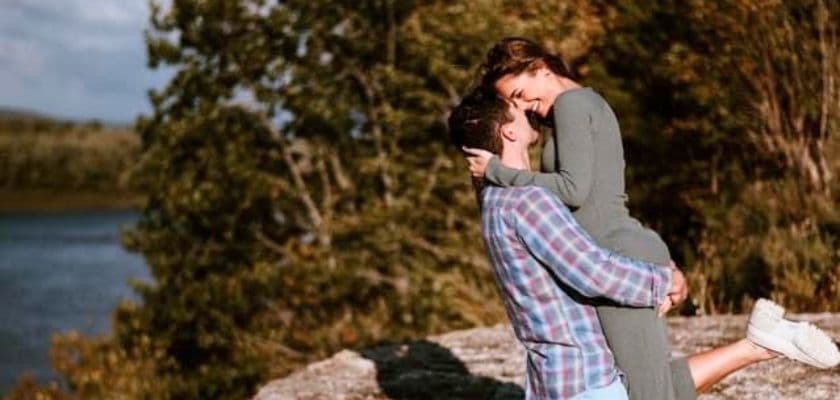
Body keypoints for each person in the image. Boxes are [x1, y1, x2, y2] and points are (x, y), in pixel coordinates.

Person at [448, 89, 839, 399]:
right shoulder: (528, 200)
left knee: (652, 390)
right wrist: (662, 281)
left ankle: (758, 345)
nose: (523, 108)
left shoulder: (494, 203)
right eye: (512, 107)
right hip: (583, 382)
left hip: (555, 379)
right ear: (508, 131)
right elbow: (592, 271)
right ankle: (758, 344)